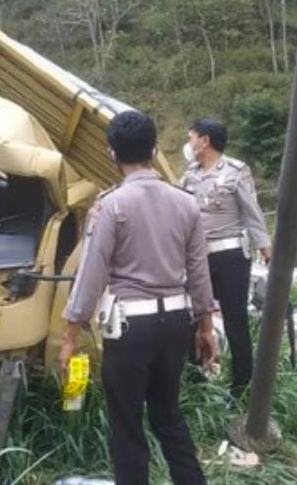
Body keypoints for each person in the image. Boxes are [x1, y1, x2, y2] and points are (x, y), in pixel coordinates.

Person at [59, 110, 218, 485]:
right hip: (177, 325)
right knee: (168, 418)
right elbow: (198, 272)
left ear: (112, 152)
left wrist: (69, 335)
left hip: (130, 329)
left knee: (127, 427)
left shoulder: (111, 206)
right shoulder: (186, 203)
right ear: (155, 148)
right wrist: (206, 327)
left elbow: (91, 274)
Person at [181, 118, 272, 399]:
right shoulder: (189, 175)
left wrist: (265, 246)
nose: (189, 142)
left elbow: (252, 212)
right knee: (194, 319)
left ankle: (242, 391)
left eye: (192, 137)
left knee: (235, 322)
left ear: (204, 140)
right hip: (197, 258)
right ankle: (197, 385)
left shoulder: (236, 171)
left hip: (231, 256)